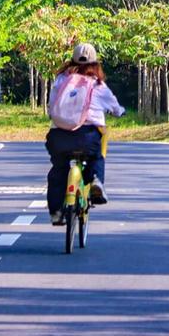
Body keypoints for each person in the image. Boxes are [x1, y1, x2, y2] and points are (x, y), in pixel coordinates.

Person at [45, 42, 125, 225]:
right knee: (96, 157)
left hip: (59, 137)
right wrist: (120, 111)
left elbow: (51, 106)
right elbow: (114, 106)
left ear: (72, 61)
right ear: (95, 63)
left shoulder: (61, 80)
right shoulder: (97, 84)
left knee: (58, 170)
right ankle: (96, 180)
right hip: (87, 137)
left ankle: (56, 212)